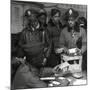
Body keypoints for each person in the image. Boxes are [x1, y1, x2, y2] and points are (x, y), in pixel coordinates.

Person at [12, 9, 52, 89]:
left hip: (42, 61)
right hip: (30, 63)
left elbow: (49, 44)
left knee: (43, 78)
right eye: (30, 20)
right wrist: (21, 58)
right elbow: (21, 48)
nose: (32, 22)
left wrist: (46, 57)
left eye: (34, 20)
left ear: (37, 19)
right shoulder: (24, 32)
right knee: (33, 81)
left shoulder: (44, 30)